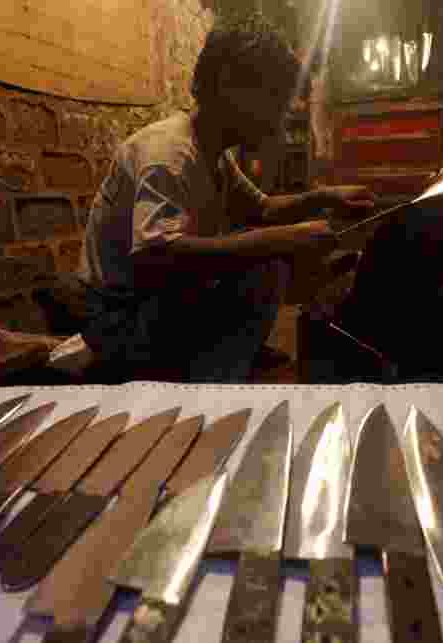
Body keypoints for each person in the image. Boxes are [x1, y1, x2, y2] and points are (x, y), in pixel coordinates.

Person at [78, 10, 375, 383]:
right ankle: (207, 377)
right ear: (229, 84)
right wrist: (286, 239)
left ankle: (224, 354)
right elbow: (156, 256)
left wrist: (327, 197)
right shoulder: (169, 154)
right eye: (276, 99)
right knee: (264, 266)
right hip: (118, 317)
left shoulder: (215, 153)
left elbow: (264, 208)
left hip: (152, 301)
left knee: (263, 261)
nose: (282, 115)